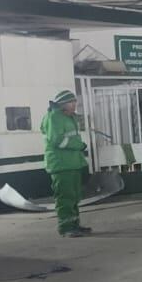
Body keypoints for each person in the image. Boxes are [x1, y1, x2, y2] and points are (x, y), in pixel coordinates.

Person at [40, 90, 90, 237]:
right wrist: (79, 145)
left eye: (75, 102)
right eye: (71, 102)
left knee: (74, 197)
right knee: (65, 197)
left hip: (72, 163)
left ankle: (74, 225)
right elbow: (57, 140)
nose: (75, 105)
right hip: (61, 165)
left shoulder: (69, 117)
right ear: (62, 104)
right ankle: (66, 228)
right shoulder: (54, 117)